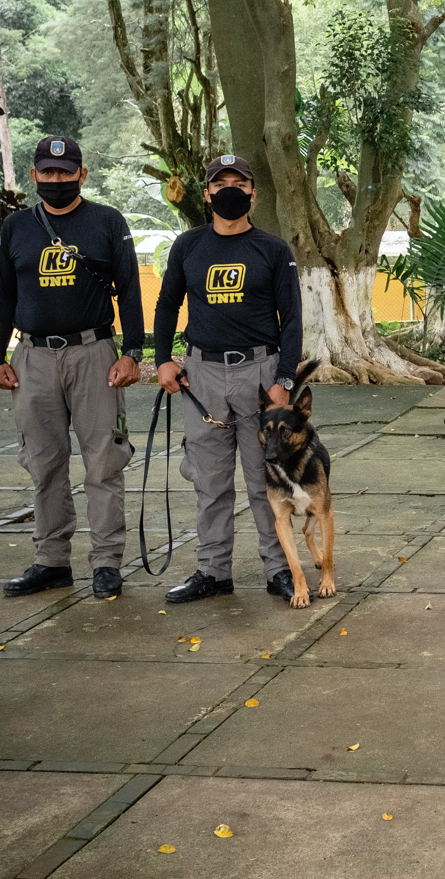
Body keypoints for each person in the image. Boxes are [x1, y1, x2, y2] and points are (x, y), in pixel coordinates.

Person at [0, 136, 144, 598]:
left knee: (104, 462)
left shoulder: (107, 222)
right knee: (43, 463)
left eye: (65, 172)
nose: (56, 179)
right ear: (34, 174)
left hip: (93, 354)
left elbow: (130, 289)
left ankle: (107, 563)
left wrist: (132, 352)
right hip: (32, 358)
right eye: (48, 172)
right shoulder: (16, 226)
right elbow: (3, 295)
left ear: (82, 174)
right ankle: (51, 560)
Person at [151, 155, 303, 604]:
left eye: (239, 183)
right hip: (203, 375)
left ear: (253, 193)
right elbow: (166, 305)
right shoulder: (188, 246)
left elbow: (292, 319)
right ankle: (213, 571)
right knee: (210, 481)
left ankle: (280, 569)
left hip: (260, 374)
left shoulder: (273, 249)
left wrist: (284, 381)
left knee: (265, 481)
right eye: (221, 184)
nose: (230, 190)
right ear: (207, 193)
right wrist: (162, 360)